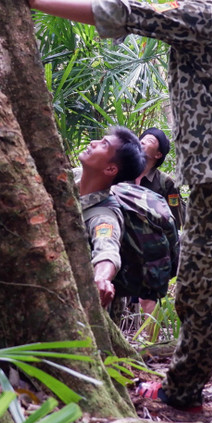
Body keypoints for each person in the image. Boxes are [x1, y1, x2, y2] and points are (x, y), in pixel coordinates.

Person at [8, 0, 212, 410]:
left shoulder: (209, 16)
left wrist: (38, 0)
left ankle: (181, 392)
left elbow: (130, 13)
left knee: (202, 288)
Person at [76, 127, 147, 308]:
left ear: (110, 168)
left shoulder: (104, 215)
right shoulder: (69, 176)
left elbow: (107, 250)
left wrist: (101, 278)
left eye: (103, 144)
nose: (93, 143)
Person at [137, 127, 185, 231]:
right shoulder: (123, 174)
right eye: (142, 139)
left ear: (158, 154)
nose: (142, 142)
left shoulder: (167, 183)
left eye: (149, 140)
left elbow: (175, 221)